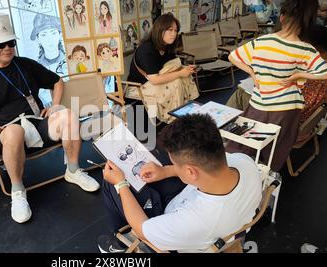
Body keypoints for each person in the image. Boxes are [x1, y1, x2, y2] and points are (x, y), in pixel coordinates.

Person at [0, 17, 100, 224]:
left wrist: (54, 105)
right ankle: (17, 191)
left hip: (35, 122)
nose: (8, 48)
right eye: (1, 44)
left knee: (68, 115)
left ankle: (73, 170)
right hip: (5, 131)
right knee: (15, 132)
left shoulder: (25, 64)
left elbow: (56, 81)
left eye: (11, 43)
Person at [97, 114, 262, 253]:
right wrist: (166, 171)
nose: (173, 166)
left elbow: (142, 228)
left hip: (183, 229)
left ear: (191, 172)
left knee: (111, 184)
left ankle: (119, 244)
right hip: (209, 212)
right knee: (155, 169)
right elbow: (199, 169)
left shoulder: (194, 221)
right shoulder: (245, 163)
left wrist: (120, 183)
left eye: (175, 164)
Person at [227, 0, 327, 171]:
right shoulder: (306, 50)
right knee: (273, 150)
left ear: (281, 18)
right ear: (307, 24)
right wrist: (300, 74)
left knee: (246, 141)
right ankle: (266, 179)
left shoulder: (262, 41)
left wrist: (252, 72)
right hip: (286, 110)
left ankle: (239, 174)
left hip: (259, 104)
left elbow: (232, 56)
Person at [127, 13, 196, 85]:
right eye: (170, 30)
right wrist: (180, 73)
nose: (174, 34)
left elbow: (173, 67)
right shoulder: (146, 49)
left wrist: (186, 69)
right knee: (177, 81)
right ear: (159, 30)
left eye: (175, 30)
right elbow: (155, 79)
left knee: (185, 78)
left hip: (155, 86)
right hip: (138, 89)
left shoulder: (167, 46)